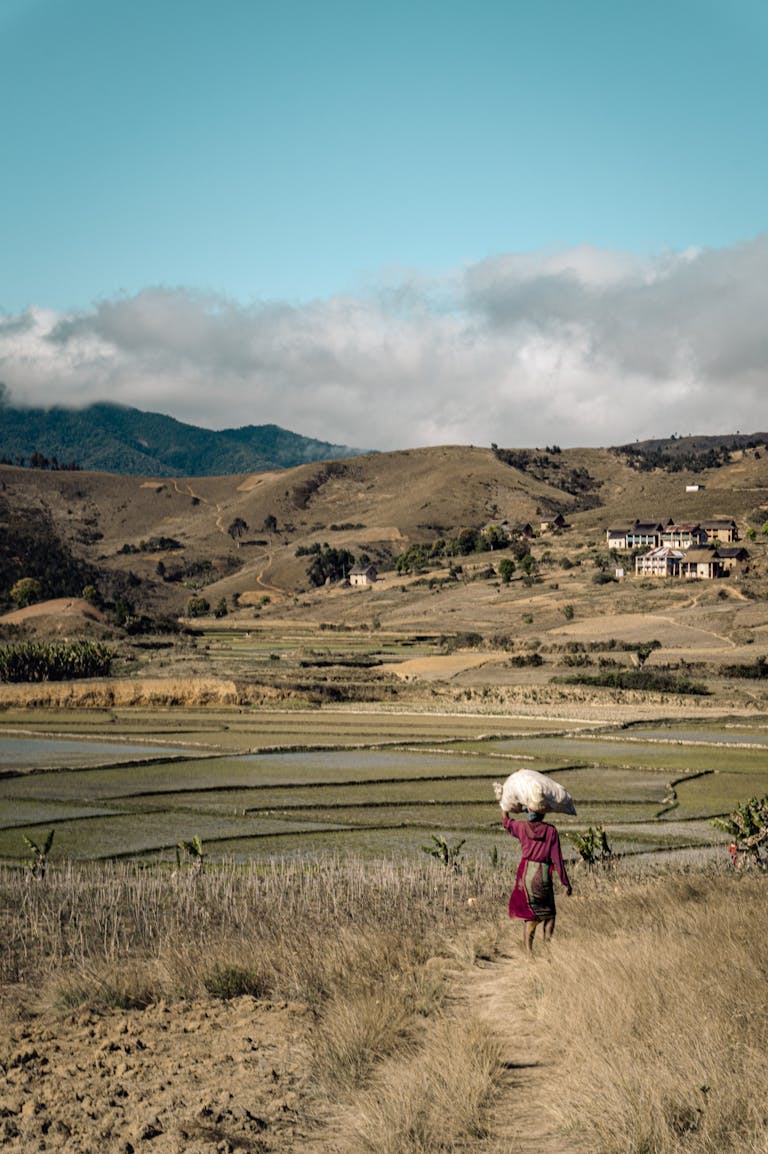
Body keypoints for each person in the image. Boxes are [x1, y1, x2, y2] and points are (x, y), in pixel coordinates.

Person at [502, 808, 572, 955]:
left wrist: (505, 807)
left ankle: (529, 954)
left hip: (526, 875)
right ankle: (547, 948)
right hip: (544, 874)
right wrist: (565, 882)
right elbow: (558, 859)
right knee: (550, 914)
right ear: (543, 812)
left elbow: (506, 822)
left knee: (530, 915)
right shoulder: (551, 831)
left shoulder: (521, 827)